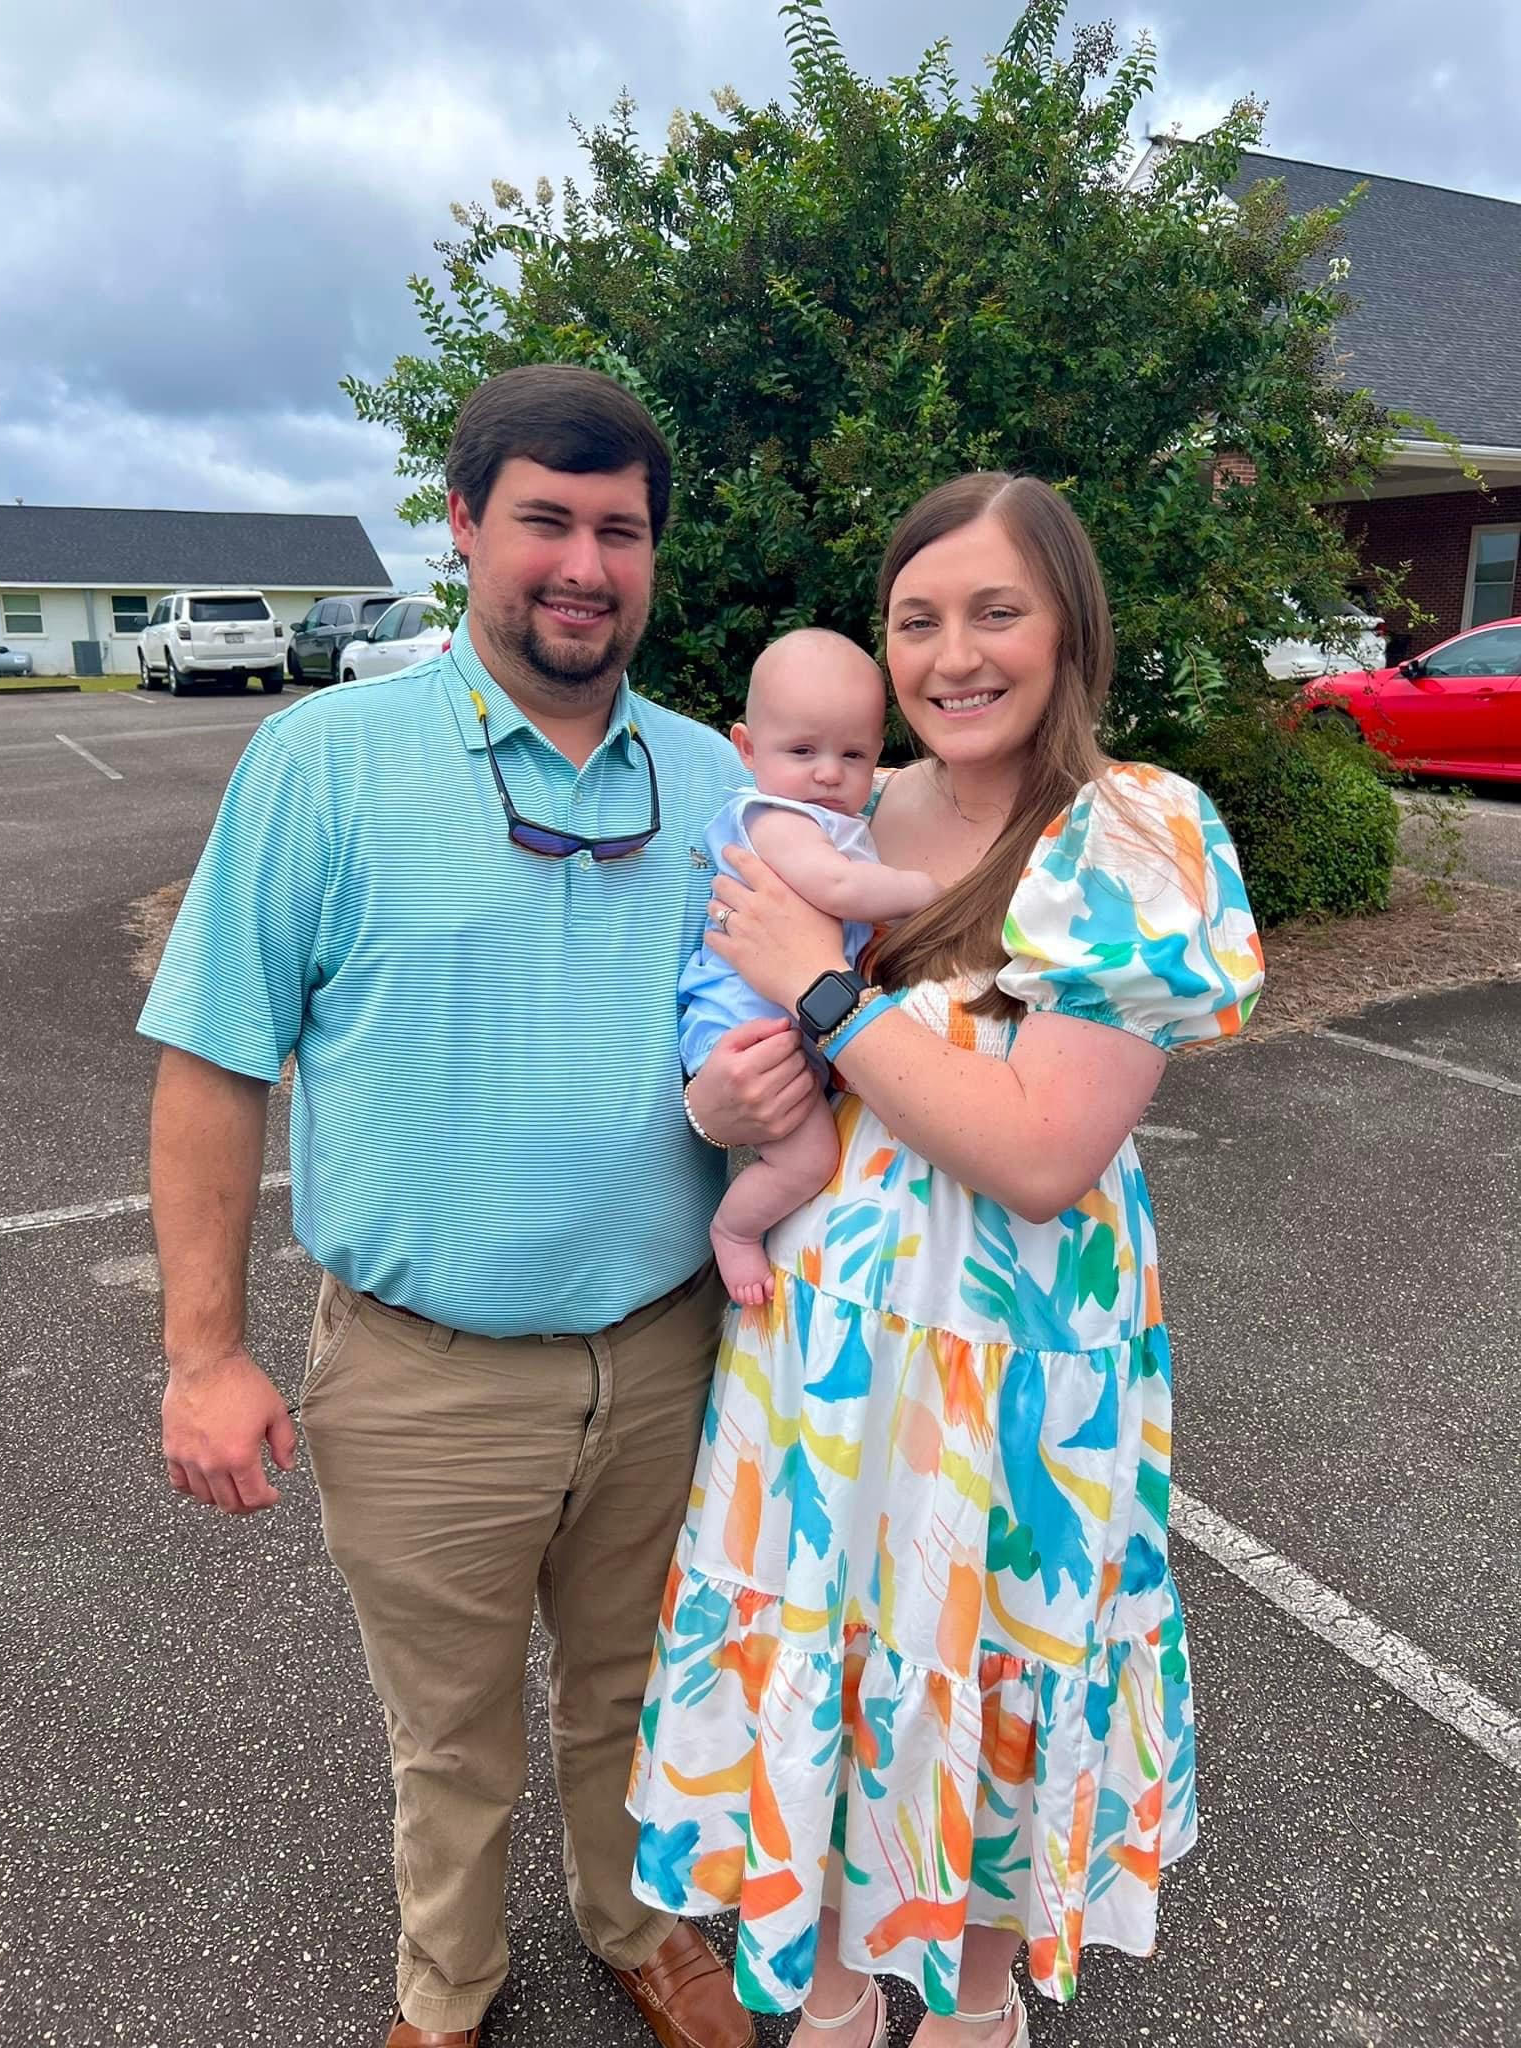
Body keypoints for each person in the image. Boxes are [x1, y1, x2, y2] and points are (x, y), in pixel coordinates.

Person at [139, 364, 814, 2048]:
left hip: (667, 1355)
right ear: (462, 524)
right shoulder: (323, 762)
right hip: (421, 1376)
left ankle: (636, 1923)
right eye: (546, 521)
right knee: (446, 1731)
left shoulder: (712, 781)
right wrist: (202, 1353)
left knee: (634, 1688)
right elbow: (214, 1058)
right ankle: (447, 1985)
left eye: (620, 530)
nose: (584, 564)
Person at [627, 472, 1265, 2048]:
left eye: (997, 612)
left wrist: (825, 989)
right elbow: (729, 1047)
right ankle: (837, 1999)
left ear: (1070, 629)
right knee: (836, 1669)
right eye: (918, 619)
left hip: (1021, 1375)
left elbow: (1043, 1156)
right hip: (826, 1358)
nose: (953, 654)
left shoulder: (1135, 832)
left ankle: (979, 2011)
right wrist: (719, 1102)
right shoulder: (846, 811)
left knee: (987, 1673)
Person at [679, 628, 939, 1305]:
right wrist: (933, 891)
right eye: (802, 751)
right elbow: (840, 889)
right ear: (746, 749)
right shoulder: (773, 816)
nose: (828, 773)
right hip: (746, 1031)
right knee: (809, 1158)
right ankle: (735, 1231)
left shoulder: (838, 819)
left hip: (789, 1023)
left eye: (852, 754)